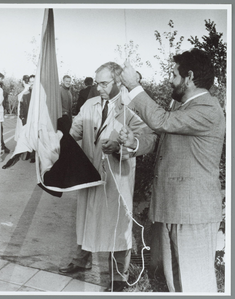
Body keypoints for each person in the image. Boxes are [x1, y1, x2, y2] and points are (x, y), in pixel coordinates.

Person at [118, 49, 225, 293]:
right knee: (174, 284)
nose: (169, 79)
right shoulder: (182, 106)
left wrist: (134, 86)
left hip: (192, 214)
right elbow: (159, 137)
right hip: (171, 209)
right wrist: (134, 143)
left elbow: (161, 122)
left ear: (189, 77)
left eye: (173, 74)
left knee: (195, 286)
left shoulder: (208, 108)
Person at [61, 62, 156, 292]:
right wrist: (58, 140)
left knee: (118, 224)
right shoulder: (90, 104)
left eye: (104, 83)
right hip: (90, 172)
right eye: (97, 83)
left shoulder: (131, 107)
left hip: (117, 177)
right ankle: (81, 260)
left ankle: (118, 277)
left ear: (118, 82)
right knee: (86, 217)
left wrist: (124, 145)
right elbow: (74, 134)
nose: (99, 88)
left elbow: (149, 139)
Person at [19, 75, 36, 163]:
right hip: (27, 118)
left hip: (36, 119)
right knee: (28, 136)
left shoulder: (40, 94)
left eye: (34, 81)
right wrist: (21, 117)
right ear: (29, 83)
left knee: (36, 137)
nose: (33, 83)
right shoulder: (25, 94)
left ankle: (34, 155)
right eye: (31, 82)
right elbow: (21, 106)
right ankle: (28, 152)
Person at [14, 75, 30, 141]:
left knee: (22, 128)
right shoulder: (27, 89)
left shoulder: (26, 90)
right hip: (23, 112)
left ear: (23, 81)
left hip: (23, 113)